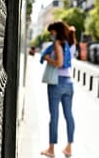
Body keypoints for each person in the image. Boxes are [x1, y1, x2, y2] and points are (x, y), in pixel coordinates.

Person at [40, 21, 76, 157]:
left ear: (57, 31)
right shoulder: (69, 44)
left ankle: (51, 150)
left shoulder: (57, 44)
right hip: (69, 84)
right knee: (69, 116)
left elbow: (59, 63)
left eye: (52, 32)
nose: (51, 35)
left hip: (56, 83)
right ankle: (69, 147)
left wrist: (48, 59)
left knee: (54, 116)